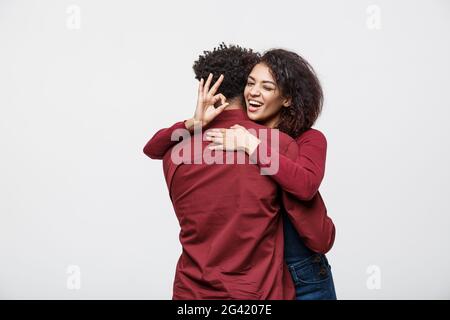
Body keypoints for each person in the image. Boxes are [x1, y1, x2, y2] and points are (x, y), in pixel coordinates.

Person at [143, 44, 336, 299]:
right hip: (259, 290)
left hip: (193, 290)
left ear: (287, 98)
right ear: (241, 86)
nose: (255, 92)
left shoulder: (177, 150)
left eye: (267, 87)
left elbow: (305, 186)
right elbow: (319, 236)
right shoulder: (280, 146)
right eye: (251, 83)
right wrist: (194, 122)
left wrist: (251, 144)